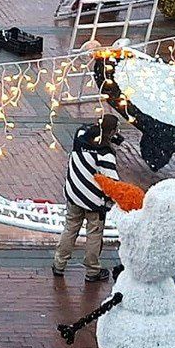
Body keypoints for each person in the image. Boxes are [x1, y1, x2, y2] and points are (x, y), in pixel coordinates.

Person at [52, 113, 120, 280]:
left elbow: (85, 128)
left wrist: (103, 130)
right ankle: (92, 270)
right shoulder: (105, 154)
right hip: (94, 201)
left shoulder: (80, 137)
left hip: (74, 194)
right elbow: (112, 183)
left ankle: (59, 264)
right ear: (111, 132)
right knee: (94, 234)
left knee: (70, 228)